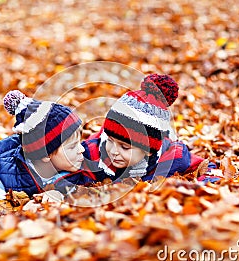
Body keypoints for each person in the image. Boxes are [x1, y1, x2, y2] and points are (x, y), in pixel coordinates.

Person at [55, 73, 217, 191]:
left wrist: (201, 187)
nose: (113, 151)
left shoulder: (173, 157)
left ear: (149, 150)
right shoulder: (94, 152)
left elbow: (207, 167)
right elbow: (67, 173)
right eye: (110, 140)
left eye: (125, 147)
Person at [0, 90, 85, 215]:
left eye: (79, 142)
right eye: (73, 147)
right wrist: (20, 211)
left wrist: (57, 193)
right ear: (46, 154)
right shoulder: (6, 180)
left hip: (19, 156)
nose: (82, 149)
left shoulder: (70, 163)